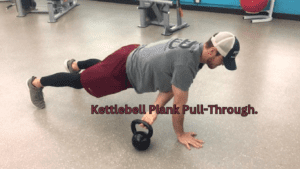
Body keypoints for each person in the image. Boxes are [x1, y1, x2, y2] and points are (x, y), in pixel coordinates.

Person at [27, 31, 240, 150]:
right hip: (123, 71)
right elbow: (179, 104)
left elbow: (170, 86)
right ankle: (37, 83)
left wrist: (154, 110)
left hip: (132, 53)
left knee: (102, 65)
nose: (222, 64)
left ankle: (75, 64)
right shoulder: (188, 65)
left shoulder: (196, 49)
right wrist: (180, 133)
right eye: (223, 59)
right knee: (81, 82)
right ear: (212, 51)